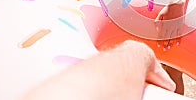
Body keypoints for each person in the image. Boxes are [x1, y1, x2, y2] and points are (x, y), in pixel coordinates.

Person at [22, 40, 176, 100]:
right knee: (171, 74)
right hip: (171, 12)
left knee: (175, 72)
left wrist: (177, 3)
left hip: (181, 20)